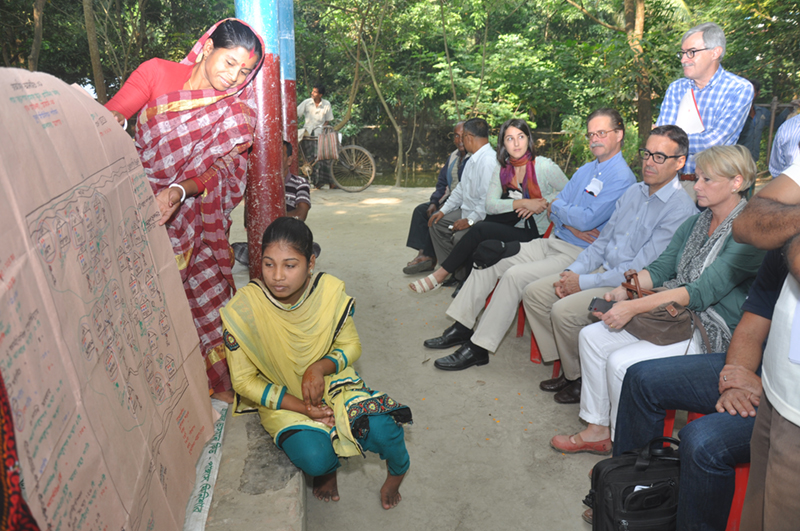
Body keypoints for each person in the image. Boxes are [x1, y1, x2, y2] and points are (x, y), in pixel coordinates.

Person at [550, 144, 765, 455]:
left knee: (623, 364)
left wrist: (633, 306)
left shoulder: (750, 233)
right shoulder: (697, 222)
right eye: (698, 177)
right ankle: (599, 429)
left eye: (707, 180)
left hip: (712, 328)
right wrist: (625, 290)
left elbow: (702, 292)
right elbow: (662, 268)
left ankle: (631, 456)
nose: (698, 187)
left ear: (737, 182)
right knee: (592, 337)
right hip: (674, 313)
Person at [105, 19, 264, 402]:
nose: (233, 77)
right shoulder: (157, 72)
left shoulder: (236, 111)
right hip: (136, 207)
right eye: (228, 63)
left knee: (204, 298)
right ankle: (150, 389)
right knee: (145, 302)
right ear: (207, 48)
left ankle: (212, 382)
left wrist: (178, 190)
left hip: (192, 218)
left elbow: (222, 170)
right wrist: (104, 122)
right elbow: (112, 116)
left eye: (244, 72)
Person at [424, 108, 636, 371]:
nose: (594, 139)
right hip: (553, 240)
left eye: (601, 133)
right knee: (489, 259)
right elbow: (555, 205)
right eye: (591, 133)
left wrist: (562, 212)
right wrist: (563, 213)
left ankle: (479, 347)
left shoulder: (622, 178)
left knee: (513, 274)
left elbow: (580, 219)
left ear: (619, 134)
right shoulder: (587, 170)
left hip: (580, 254)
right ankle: (462, 325)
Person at [221, 218, 412, 509]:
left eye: (290, 265)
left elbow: (351, 346)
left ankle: (397, 474)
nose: (277, 276)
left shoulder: (329, 293)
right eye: (269, 264)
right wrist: (304, 408)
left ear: (311, 263)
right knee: (315, 458)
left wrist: (319, 367)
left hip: (334, 385)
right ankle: (326, 472)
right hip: (283, 397)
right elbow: (244, 382)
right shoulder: (245, 308)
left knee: (385, 430)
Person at [610, 248, 785, 530]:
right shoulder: (782, 252)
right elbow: (752, 328)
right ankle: (633, 503)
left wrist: (765, 386)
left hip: (789, 398)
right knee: (641, 378)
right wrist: (735, 376)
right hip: (757, 365)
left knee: (701, 441)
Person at [524, 125, 698, 404]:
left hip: (631, 286)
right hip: (602, 270)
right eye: (647, 154)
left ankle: (580, 379)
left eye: (660, 157)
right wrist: (574, 271)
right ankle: (572, 367)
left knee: (563, 311)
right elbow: (601, 242)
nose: (649, 162)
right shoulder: (633, 192)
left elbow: (638, 272)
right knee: (534, 293)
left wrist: (580, 283)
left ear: (680, 162)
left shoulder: (680, 210)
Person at [409, 118, 568, 293]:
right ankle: (455, 280)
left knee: (478, 230)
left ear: (528, 139)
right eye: (509, 138)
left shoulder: (544, 166)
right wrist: (523, 203)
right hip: (515, 224)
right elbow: (491, 205)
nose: (516, 143)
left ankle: (443, 276)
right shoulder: (503, 169)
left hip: (538, 231)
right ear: (503, 143)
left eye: (520, 137)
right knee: (480, 232)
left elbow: (570, 192)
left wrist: (544, 201)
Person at [731, 161, 800, 528]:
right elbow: (748, 221)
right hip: (774, 392)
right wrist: (736, 372)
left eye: (708, 177)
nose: (696, 183)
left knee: (701, 442)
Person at [656, 22, 753, 180]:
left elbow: (714, 142)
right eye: (682, 53)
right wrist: (666, 139)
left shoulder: (738, 88)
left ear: (715, 53)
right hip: (670, 179)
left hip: (712, 183)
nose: (683, 60)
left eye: (691, 52)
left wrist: (669, 141)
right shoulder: (676, 88)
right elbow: (660, 136)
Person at [414, 118, 497, 292]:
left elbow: (487, 202)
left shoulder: (488, 161)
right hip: (467, 211)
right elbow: (459, 191)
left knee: (460, 237)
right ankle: (454, 273)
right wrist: (442, 211)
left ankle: (467, 279)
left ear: (469, 136)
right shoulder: (472, 159)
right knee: (436, 224)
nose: (460, 141)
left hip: (483, 217)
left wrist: (470, 221)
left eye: (462, 136)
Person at [404, 122, 468, 275]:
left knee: (436, 217)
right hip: (450, 199)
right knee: (421, 210)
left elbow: (466, 191)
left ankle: (429, 257)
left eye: (463, 136)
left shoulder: (474, 159)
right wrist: (434, 202)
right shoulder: (453, 156)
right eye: (456, 136)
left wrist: (443, 207)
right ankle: (425, 255)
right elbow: (442, 183)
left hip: (464, 203)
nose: (459, 140)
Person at [297, 85, 335, 188]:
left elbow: (327, 119)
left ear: (320, 95)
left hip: (320, 133)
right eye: (312, 91)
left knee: (324, 157)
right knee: (310, 158)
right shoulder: (307, 102)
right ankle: (315, 182)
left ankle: (325, 182)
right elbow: (296, 113)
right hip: (308, 133)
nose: (312, 93)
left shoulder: (326, 104)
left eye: (315, 92)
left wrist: (323, 127)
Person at [737, 78, 770, 162]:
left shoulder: (762, 113)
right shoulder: (736, 113)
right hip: (736, 159)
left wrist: (789, 109)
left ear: (758, 93)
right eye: (747, 92)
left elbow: (776, 123)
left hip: (753, 159)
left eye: (753, 92)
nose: (749, 95)